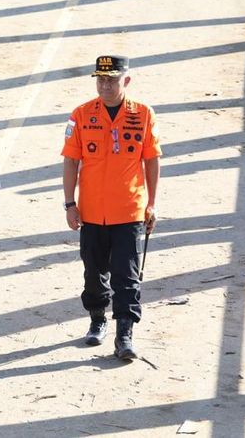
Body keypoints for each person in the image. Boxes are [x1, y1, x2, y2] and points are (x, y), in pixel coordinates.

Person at [61, 55, 161, 361]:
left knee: (127, 277)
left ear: (126, 81)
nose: (105, 86)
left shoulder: (143, 114)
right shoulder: (80, 115)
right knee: (93, 273)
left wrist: (152, 204)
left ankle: (124, 334)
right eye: (100, 79)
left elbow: (152, 160)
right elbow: (71, 161)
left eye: (111, 80)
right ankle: (97, 318)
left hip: (129, 211)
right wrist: (69, 203)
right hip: (91, 213)